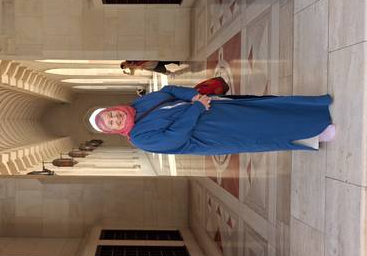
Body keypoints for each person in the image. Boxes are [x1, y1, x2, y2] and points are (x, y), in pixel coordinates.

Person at [89, 85, 335, 155]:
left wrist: (194, 96)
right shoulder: (140, 139)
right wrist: (196, 107)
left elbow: (171, 90)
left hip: (213, 108)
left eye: (111, 114)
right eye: (111, 123)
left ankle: (312, 109)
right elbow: (175, 136)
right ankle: (317, 132)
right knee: (262, 129)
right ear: (114, 131)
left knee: (263, 109)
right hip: (212, 131)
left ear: (114, 108)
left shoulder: (138, 104)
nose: (115, 118)